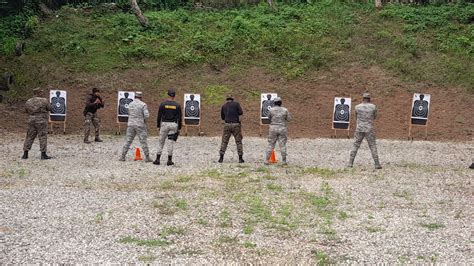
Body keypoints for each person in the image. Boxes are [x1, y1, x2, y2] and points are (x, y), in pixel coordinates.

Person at [347, 92, 382, 169]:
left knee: (355, 145)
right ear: (369, 99)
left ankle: (350, 163)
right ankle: (377, 164)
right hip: (369, 128)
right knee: (372, 145)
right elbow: (374, 116)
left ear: (362, 98)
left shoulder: (357, 107)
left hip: (359, 128)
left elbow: (356, 117)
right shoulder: (373, 107)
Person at [119, 91, 152, 162]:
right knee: (143, 141)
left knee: (128, 140)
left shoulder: (130, 104)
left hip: (130, 124)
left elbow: (128, 113)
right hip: (140, 125)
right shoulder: (143, 104)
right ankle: (147, 157)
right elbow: (147, 115)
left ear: (134, 97)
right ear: (141, 97)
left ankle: (122, 156)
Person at [22, 88, 52, 160]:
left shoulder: (28, 101)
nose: (42, 93)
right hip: (41, 120)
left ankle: (25, 154)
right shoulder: (44, 100)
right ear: (39, 93)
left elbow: (25, 110)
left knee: (29, 136)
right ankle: (43, 154)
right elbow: (50, 108)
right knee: (42, 136)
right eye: (41, 92)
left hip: (31, 120)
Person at [153, 89, 182, 166]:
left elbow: (159, 116)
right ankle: (169, 160)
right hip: (173, 125)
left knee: (161, 141)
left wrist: (158, 126)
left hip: (164, 124)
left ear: (168, 95)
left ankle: (157, 159)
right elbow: (180, 117)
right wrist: (179, 127)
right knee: (170, 142)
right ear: (174, 96)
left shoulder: (163, 104)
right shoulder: (177, 105)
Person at [264, 97, 291, 165]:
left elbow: (268, 118)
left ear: (274, 103)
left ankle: (267, 160)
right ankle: (284, 161)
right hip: (282, 128)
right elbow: (289, 119)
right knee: (282, 145)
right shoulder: (285, 110)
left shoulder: (271, 110)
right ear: (280, 103)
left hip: (273, 128)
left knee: (271, 144)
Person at [219, 95, 244, 163]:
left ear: (227, 99)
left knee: (224, 141)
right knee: (238, 142)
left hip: (227, 125)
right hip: (236, 124)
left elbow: (222, 117)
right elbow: (241, 112)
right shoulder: (236, 104)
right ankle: (240, 158)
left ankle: (221, 158)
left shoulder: (224, 106)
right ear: (232, 99)